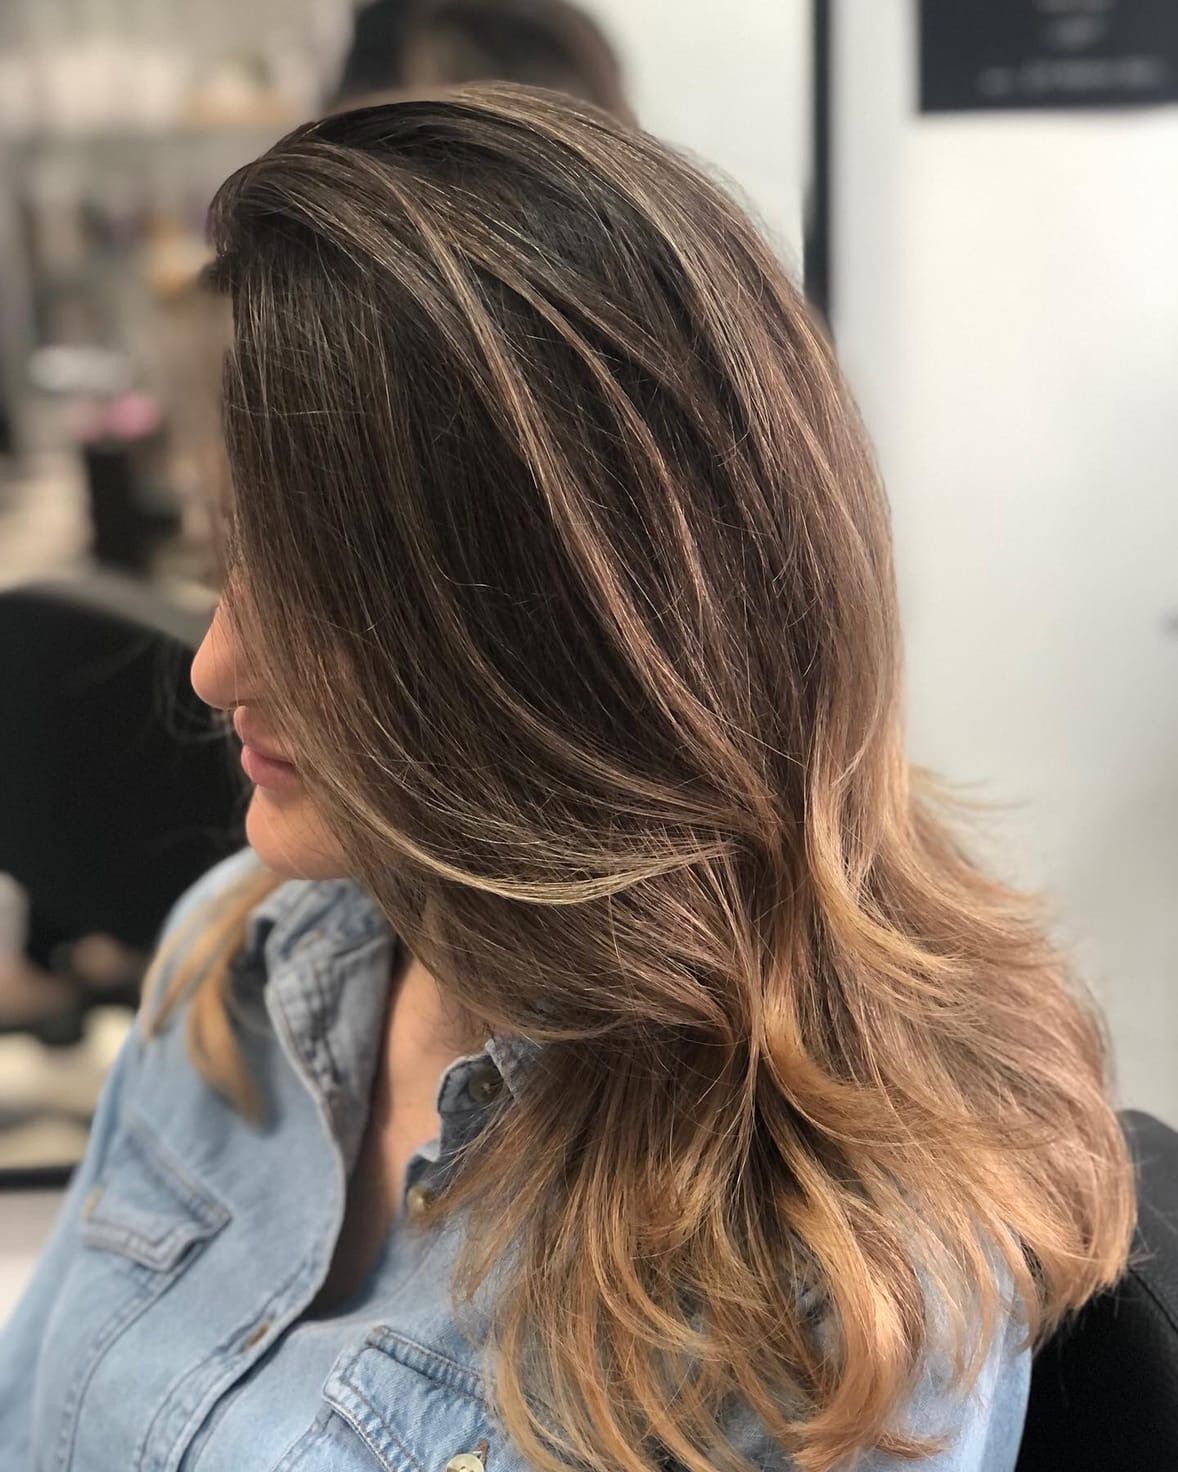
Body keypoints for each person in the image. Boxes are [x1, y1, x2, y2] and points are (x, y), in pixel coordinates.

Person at [0, 87, 1133, 1472]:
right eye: (234, 554)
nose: (213, 665)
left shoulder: (825, 1291)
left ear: (567, 652)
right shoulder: (231, 963)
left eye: (325, 601)